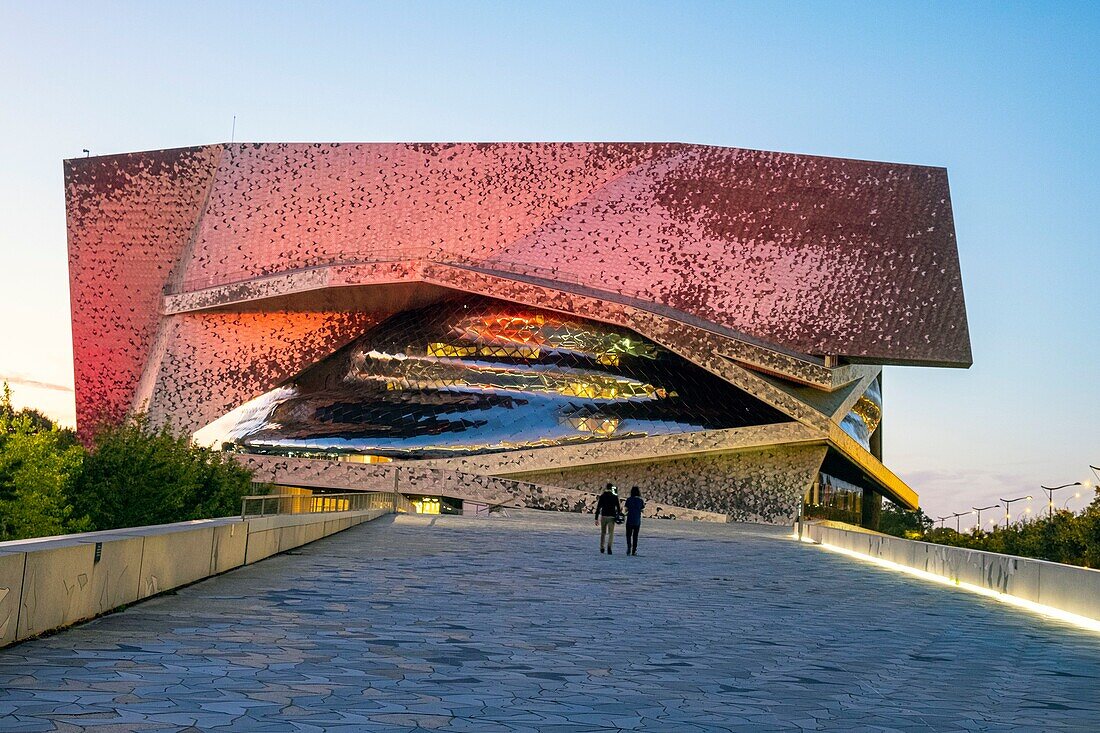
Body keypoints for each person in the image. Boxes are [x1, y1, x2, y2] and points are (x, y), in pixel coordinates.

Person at [595, 483, 621, 554]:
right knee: (611, 533)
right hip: (612, 516)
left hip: (604, 516)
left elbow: (598, 507)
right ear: (612, 488)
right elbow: (618, 508)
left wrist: (596, 518)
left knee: (603, 533)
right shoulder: (614, 496)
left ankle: (602, 547)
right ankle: (609, 547)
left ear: (606, 488)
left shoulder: (602, 496)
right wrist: (619, 516)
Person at [624, 486, 645, 556]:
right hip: (637, 521)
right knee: (635, 536)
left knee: (628, 535)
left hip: (630, 520)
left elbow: (626, 509)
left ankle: (629, 547)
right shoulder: (640, 501)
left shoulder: (629, 500)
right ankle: (634, 550)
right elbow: (642, 510)